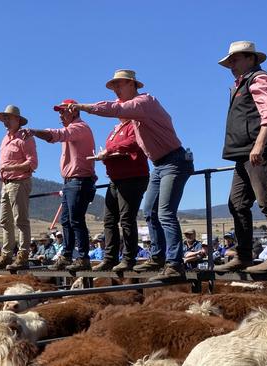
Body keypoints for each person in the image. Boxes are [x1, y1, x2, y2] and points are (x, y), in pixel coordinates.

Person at [68, 70, 194, 281]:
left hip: (173, 161)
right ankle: (159, 257)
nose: (116, 90)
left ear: (133, 85)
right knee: (150, 212)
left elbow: (115, 109)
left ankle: (175, 262)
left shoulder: (144, 102)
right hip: (161, 164)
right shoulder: (135, 117)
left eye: (119, 85)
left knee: (163, 213)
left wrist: (83, 107)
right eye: (114, 86)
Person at [213, 41, 267, 274]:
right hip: (244, 152)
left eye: (235, 60)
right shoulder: (241, 84)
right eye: (230, 62)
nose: (231, 66)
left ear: (250, 58)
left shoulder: (260, 79)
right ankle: (244, 254)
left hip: (259, 151)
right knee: (236, 203)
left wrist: (258, 144)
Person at [25, 99, 96, 272]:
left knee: (75, 219)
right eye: (59, 112)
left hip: (78, 180)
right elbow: (57, 135)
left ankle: (82, 257)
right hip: (72, 182)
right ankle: (68, 255)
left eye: (63, 111)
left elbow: (55, 135)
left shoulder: (79, 128)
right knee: (67, 220)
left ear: (74, 111)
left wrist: (34, 131)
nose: (60, 115)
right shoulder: (73, 130)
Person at [87, 105, 150, 271]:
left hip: (132, 177)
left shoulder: (135, 125)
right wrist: (107, 156)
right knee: (109, 220)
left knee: (127, 219)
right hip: (116, 179)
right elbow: (116, 149)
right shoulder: (115, 130)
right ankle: (110, 258)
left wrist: (108, 151)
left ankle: (129, 258)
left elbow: (132, 143)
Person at [0, 105, 38, 271]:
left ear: (17, 120)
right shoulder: (5, 138)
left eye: (8, 118)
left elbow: (32, 163)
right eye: (4, 119)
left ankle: (23, 255)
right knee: (5, 221)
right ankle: (7, 254)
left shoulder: (25, 137)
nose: (5, 122)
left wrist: (9, 168)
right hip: (6, 183)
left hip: (19, 181)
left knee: (20, 220)